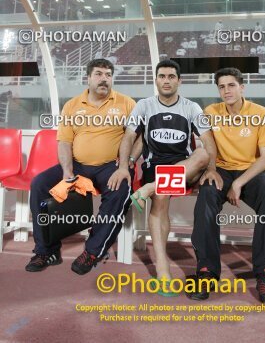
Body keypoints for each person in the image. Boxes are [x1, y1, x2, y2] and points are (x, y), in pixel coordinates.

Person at [25, 59, 140, 275]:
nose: (104, 78)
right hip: (77, 165)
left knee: (121, 190)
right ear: (88, 78)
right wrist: (67, 173)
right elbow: (65, 142)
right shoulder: (72, 105)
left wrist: (129, 162)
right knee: (39, 184)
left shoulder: (127, 103)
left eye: (108, 74)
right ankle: (46, 251)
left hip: (110, 166)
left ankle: (93, 251)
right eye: (98, 74)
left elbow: (139, 136)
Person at [110, 60, 217, 286]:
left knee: (202, 155)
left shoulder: (191, 107)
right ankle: (162, 267)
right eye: (162, 76)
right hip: (155, 166)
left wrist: (212, 169)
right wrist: (124, 166)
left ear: (179, 80)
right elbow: (129, 136)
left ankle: (152, 186)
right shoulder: (144, 105)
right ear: (156, 79)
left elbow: (208, 142)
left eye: (171, 77)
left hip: (185, 167)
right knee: (160, 197)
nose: (166, 81)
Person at [186, 68, 265, 304]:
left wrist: (238, 183)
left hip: (251, 172)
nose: (226, 90)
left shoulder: (261, 113)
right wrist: (209, 169)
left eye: (231, 85)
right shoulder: (210, 112)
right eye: (221, 86)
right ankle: (207, 272)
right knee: (206, 196)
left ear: (242, 87)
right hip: (221, 170)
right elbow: (204, 145)